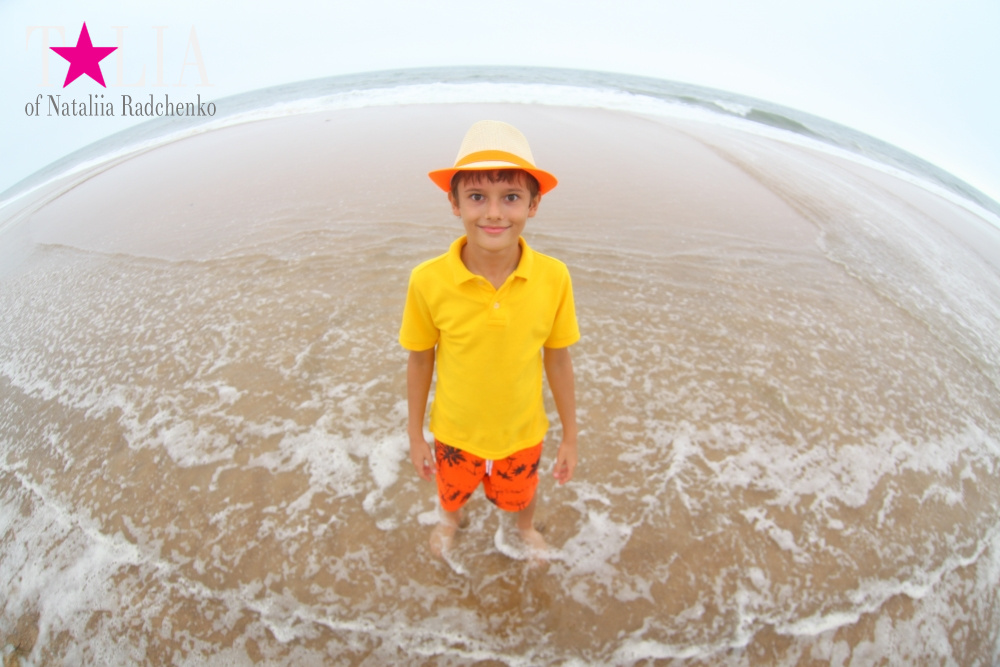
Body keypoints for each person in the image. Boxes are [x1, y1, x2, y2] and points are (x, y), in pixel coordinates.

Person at [399, 119, 580, 559]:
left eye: (511, 197)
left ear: (534, 204)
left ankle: (526, 528)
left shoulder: (554, 277)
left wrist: (570, 436)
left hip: (522, 432)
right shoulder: (427, 280)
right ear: (454, 202)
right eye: (477, 197)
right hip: (454, 433)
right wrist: (415, 433)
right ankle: (450, 521)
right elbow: (421, 359)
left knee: (523, 493)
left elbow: (558, 359)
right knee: (451, 492)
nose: (494, 213)